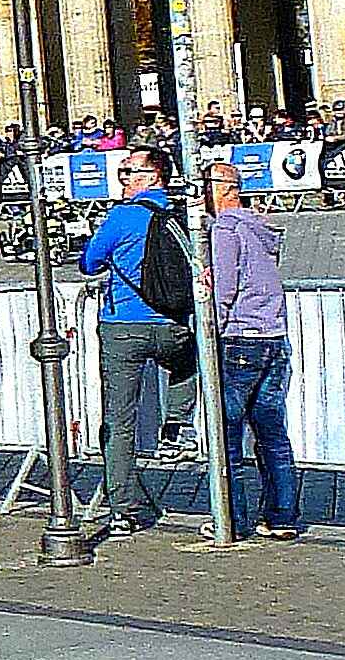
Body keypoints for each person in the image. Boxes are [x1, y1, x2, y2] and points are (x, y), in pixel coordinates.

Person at [80, 144, 198, 535]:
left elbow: (89, 262)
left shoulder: (122, 216)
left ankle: (124, 506)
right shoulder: (181, 215)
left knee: (119, 419)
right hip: (171, 323)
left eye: (129, 172)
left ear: (153, 176)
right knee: (188, 363)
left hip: (123, 325)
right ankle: (177, 424)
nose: (122, 179)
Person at [202, 165, 299, 538]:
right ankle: (281, 516)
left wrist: (212, 326)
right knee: (272, 433)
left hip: (241, 338)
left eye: (204, 188)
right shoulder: (257, 227)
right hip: (273, 336)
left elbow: (225, 288)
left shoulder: (225, 229)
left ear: (223, 190)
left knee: (227, 436)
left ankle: (233, 520)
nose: (198, 197)